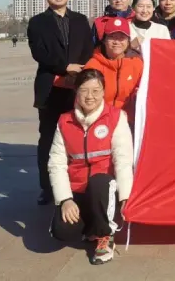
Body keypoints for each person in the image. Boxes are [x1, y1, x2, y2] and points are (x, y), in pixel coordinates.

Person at [48, 68, 134, 266]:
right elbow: (56, 163)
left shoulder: (116, 117)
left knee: (99, 182)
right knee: (62, 232)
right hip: (77, 189)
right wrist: (65, 199)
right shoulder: (65, 121)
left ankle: (105, 235)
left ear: (103, 92)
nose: (90, 96)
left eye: (96, 91)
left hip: (104, 190)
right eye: (84, 90)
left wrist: (125, 197)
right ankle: (90, 227)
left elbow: (123, 160)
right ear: (76, 92)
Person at [27, 0, 94, 206]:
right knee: (48, 138)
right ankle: (47, 187)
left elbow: (88, 48)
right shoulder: (37, 22)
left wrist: (77, 70)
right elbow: (39, 53)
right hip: (50, 88)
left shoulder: (80, 20)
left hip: (77, 87)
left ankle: (77, 184)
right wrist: (65, 67)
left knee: (78, 136)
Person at [84, 18, 143, 112]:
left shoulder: (137, 63)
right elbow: (85, 98)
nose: (116, 42)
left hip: (128, 117)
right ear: (104, 40)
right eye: (112, 37)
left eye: (121, 38)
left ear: (128, 41)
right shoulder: (93, 65)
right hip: (100, 116)